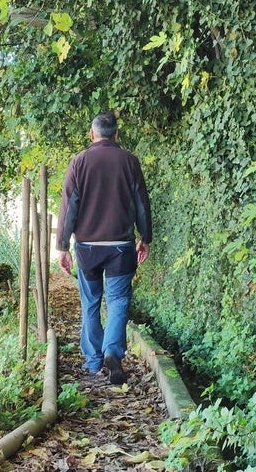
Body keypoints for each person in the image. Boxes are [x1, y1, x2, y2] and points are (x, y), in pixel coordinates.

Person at [56, 110, 152, 385]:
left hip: (87, 247)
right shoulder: (130, 161)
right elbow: (141, 203)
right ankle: (112, 350)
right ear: (117, 135)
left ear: (92, 133)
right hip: (121, 245)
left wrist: (62, 247)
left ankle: (94, 360)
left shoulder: (79, 162)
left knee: (91, 301)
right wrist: (144, 237)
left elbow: (69, 206)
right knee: (119, 300)